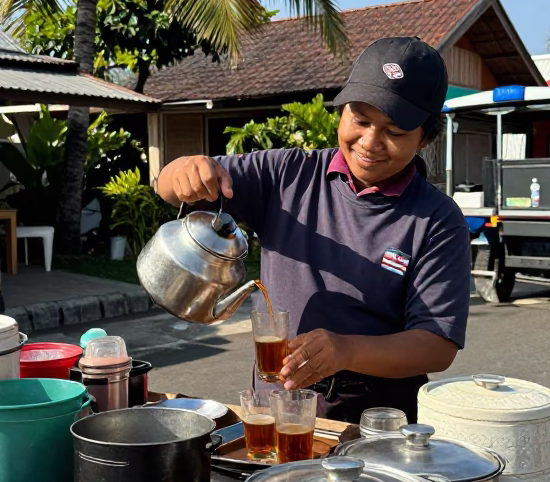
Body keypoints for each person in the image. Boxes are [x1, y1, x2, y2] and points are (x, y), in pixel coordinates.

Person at [156, 36, 471, 422]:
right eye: (360, 120)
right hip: (274, 411)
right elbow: (168, 187)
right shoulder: (286, 174)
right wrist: (186, 168)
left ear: (426, 138)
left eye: (395, 131)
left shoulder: (438, 219)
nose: (370, 142)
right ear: (341, 112)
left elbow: (437, 346)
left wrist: (346, 351)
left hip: (376, 423)